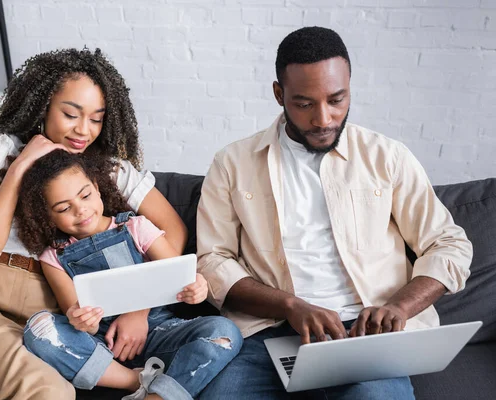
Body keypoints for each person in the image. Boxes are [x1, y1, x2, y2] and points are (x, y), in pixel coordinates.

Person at [196, 26, 473, 399]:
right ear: (279, 94)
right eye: (304, 103)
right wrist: (291, 306)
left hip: (366, 335)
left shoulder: (386, 157)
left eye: (337, 100)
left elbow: (448, 244)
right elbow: (212, 260)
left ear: (350, 88)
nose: (324, 119)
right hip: (269, 332)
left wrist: (399, 306)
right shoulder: (232, 164)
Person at [0, 48, 190, 400]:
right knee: (47, 393)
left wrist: (139, 308)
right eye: (71, 114)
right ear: (43, 106)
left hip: (57, 322)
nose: (83, 131)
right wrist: (19, 169)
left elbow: (173, 231)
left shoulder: (109, 171)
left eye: (96, 119)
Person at [14, 149, 242, 399]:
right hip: (102, 347)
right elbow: (75, 314)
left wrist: (196, 287)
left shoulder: (135, 227)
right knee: (39, 328)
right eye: (64, 208)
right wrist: (82, 321)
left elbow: (177, 275)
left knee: (224, 333)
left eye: (86, 195)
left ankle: (160, 396)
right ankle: (135, 381)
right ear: (48, 216)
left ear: (98, 189)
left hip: (159, 332)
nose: (81, 210)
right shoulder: (53, 256)